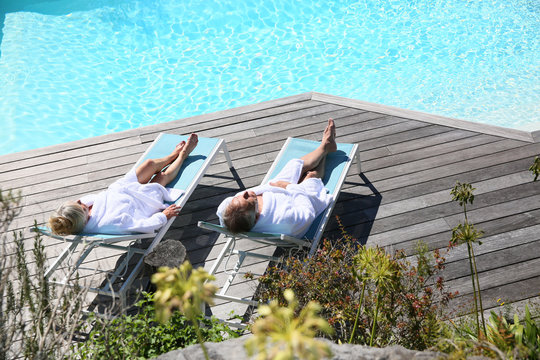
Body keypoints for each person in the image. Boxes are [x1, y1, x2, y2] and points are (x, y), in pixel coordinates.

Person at [48, 133, 199, 235]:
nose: (81, 201)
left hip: (123, 188)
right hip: (140, 203)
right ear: (83, 217)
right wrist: (163, 216)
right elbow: (144, 226)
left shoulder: (83, 209)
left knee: (149, 164)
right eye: (79, 205)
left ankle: (172, 155)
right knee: (161, 177)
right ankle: (183, 155)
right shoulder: (110, 223)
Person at [217, 119, 337, 238]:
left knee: (294, 165)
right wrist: (289, 187)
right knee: (310, 177)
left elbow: (226, 215)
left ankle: (324, 146)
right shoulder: (286, 219)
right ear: (257, 216)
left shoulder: (227, 210)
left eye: (239, 197)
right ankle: (326, 148)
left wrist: (282, 186)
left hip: (275, 191)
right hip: (298, 203)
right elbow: (308, 212)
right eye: (248, 199)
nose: (245, 193)